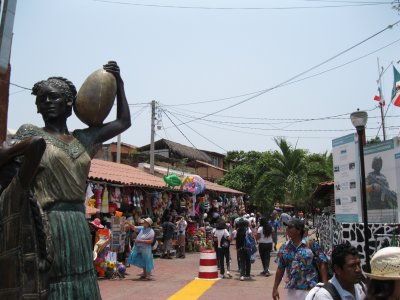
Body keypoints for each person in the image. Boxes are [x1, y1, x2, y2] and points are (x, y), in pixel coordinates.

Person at [0, 61, 130, 299]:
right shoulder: (31, 133)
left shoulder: (84, 139)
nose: (46, 102)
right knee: (49, 283)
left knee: (81, 280)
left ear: (70, 102)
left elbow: (123, 122)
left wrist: (119, 85)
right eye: (41, 99)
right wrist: (28, 147)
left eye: (53, 97)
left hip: (77, 224)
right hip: (47, 222)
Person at [272, 219, 328, 300]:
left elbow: (322, 263)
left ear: (298, 230)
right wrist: (275, 288)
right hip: (292, 291)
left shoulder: (311, 245)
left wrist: (325, 285)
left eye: (290, 227)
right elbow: (280, 268)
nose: (287, 229)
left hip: (311, 289)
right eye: (287, 227)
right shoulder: (284, 247)